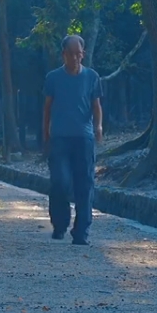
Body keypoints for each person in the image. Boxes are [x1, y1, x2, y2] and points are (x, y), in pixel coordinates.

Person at [42, 34, 103, 246]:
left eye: (79, 54)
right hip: (60, 138)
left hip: (83, 139)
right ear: (63, 55)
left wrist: (98, 126)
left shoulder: (92, 77)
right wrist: (46, 132)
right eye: (71, 54)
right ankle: (60, 225)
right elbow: (48, 107)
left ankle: (81, 233)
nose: (75, 58)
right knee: (60, 182)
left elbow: (96, 105)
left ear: (83, 54)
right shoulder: (53, 78)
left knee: (84, 186)